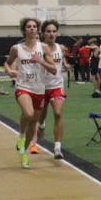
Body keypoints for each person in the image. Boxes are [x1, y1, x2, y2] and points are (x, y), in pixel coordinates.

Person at [4, 18, 58, 168]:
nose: (32, 29)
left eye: (34, 26)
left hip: (39, 89)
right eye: (29, 26)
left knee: (34, 122)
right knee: (28, 114)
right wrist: (9, 71)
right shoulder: (16, 48)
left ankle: (23, 153)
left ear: (37, 29)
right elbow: (7, 63)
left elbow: (54, 70)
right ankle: (21, 136)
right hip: (23, 86)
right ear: (24, 30)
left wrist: (40, 61)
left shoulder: (43, 48)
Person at [32, 20, 70, 159]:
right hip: (41, 87)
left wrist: (65, 65)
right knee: (41, 115)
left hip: (56, 86)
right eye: (48, 31)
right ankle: (41, 125)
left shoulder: (61, 48)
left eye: (54, 31)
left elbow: (62, 59)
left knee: (58, 113)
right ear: (43, 33)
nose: (52, 34)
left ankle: (57, 148)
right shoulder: (37, 49)